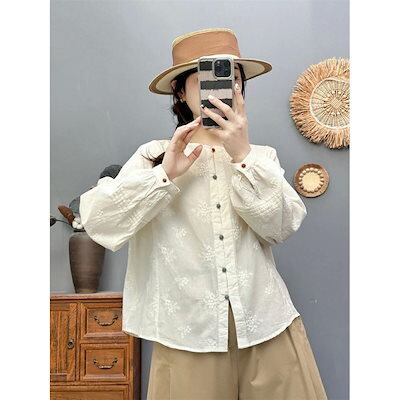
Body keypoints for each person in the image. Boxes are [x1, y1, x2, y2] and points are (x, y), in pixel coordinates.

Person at [79, 28, 328, 400]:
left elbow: (280, 227)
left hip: (267, 325)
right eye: (206, 78)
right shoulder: (154, 155)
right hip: (186, 333)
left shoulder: (261, 157)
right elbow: (100, 221)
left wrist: (242, 155)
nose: (223, 88)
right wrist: (165, 175)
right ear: (180, 91)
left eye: (233, 78)